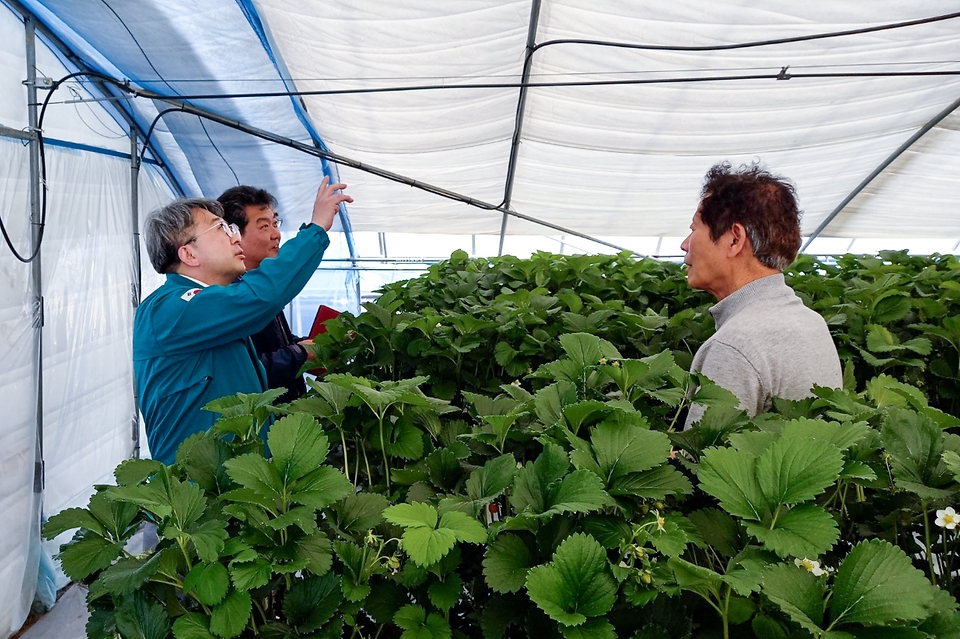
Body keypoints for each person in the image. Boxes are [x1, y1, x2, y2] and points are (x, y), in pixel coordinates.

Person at [133, 177, 352, 464]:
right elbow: (260, 295)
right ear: (188, 253)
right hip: (199, 496)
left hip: (239, 479)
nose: (235, 237)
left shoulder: (213, 304)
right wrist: (316, 229)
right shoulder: (170, 309)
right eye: (221, 228)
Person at [681, 162, 841, 427]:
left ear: (734, 239)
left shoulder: (734, 346)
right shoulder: (812, 322)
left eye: (694, 229)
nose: (685, 244)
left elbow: (704, 464)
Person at [217, 186, 312, 403]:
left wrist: (309, 344)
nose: (276, 234)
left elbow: (274, 343)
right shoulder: (229, 295)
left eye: (275, 223)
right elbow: (247, 371)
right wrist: (301, 353)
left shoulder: (262, 284)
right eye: (264, 226)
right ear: (233, 234)